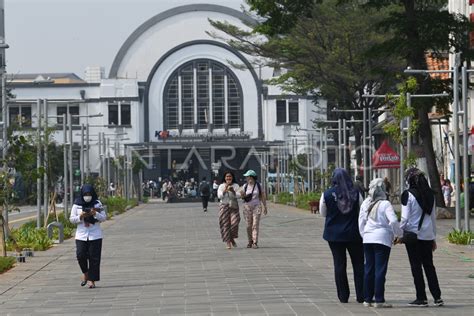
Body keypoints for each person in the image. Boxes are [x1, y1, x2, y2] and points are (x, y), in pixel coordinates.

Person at [400, 167, 444, 307]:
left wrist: (398, 233)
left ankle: (421, 298)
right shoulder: (431, 195)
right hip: (427, 236)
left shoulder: (408, 195)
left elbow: (404, 218)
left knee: (416, 267)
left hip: (413, 236)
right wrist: (433, 238)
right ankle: (437, 297)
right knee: (429, 266)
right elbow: (432, 219)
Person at [319, 168, 364, 304]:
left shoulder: (326, 194)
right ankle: (361, 294)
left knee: (339, 264)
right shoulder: (356, 193)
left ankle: (343, 296)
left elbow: (323, 213)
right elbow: (361, 211)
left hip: (334, 235)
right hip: (353, 234)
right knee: (359, 264)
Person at [358, 178, 402, 308]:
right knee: (380, 270)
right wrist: (399, 234)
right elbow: (393, 221)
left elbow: (361, 222)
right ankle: (379, 299)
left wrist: (364, 235)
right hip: (382, 239)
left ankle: (367, 298)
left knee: (368, 268)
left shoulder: (366, 203)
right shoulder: (385, 204)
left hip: (367, 238)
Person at [69, 184, 107, 289]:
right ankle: (85, 273)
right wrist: (80, 216)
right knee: (80, 255)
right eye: (85, 194)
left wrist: (95, 214)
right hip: (81, 235)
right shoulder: (77, 204)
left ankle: (91, 280)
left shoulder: (97, 203)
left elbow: (104, 218)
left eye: (89, 194)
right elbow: (71, 219)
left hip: (95, 235)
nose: (87, 196)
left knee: (94, 258)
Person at [240, 169, 267, 249]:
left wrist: (265, 206)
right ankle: (250, 241)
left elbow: (262, 196)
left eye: (247, 176)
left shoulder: (259, 185)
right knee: (248, 225)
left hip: (257, 206)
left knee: (255, 224)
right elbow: (243, 197)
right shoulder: (245, 186)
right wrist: (242, 195)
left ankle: (255, 242)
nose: (246, 178)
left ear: (251, 177)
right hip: (247, 207)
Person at [217, 171, 241, 249]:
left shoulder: (236, 185)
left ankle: (231, 238)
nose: (228, 178)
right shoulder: (221, 186)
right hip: (224, 206)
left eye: (230, 176)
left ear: (232, 177)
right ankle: (228, 242)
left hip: (233, 206)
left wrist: (233, 191)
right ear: (224, 178)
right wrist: (225, 189)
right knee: (225, 224)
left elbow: (239, 196)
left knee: (234, 223)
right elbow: (219, 196)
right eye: (227, 176)